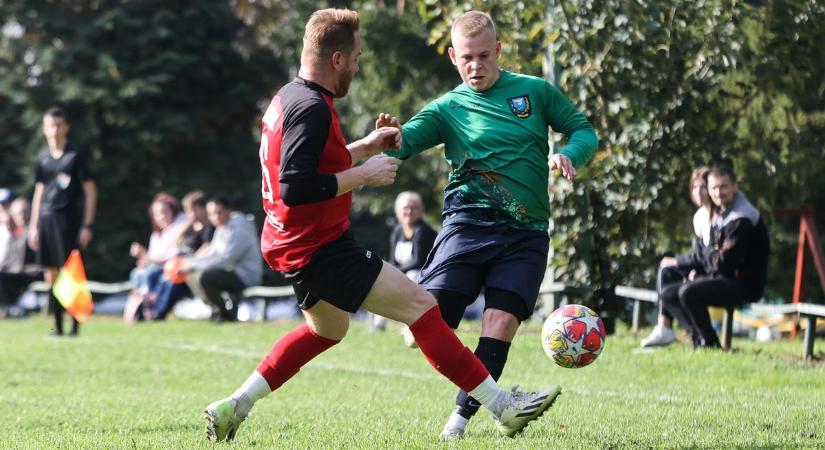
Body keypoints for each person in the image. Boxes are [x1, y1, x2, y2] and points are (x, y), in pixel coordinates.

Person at [203, 8, 559, 443]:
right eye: (355, 56)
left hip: (289, 244)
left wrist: (363, 148)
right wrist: (364, 174)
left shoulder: (288, 98)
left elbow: (310, 163)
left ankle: (235, 404)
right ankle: (503, 406)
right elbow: (296, 187)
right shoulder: (313, 108)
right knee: (423, 310)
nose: (357, 64)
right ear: (336, 59)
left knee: (328, 330)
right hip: (320, 246)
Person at [377, 11, 598, 439]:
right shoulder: (449, 106)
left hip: (526, 234)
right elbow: (410, 139)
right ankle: (420, 319)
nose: (475, 66)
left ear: (498, 50)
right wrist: (394, 135)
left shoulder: (534, 93)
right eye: (466, 58)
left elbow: (583, 130)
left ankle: (456, 425)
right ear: (452, 57)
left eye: (483, 56)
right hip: (468, 225)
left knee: (499, 326)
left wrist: (571, 152)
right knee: (435, 321)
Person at [661, 165, 770, 348]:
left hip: (743, 284)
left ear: (735, 186)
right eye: (714, 188)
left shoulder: (741, 217)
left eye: (724, 187)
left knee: (688, 292)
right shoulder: (721, 212)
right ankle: (699, 339)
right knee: (668, 294)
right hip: (722, 277)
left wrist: (704, 257)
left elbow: (723, 263)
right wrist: (703, 263)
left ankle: (709, 343)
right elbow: (712, 256)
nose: (719, 193)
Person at [28, 107, 97, 336]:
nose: (54, 130)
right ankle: (56, 326)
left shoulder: (75, 157)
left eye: (59, 125)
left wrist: (87, 225)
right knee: (51, 275)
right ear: (44, 129)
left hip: (67, 221)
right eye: (50, 125)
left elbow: (90, 190)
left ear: (66, 127)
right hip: (46, 221)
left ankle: (75, 325)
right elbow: (39, 192)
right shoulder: (43, 159)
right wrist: (33, 226)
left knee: (72, 273)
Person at [641, 166, 713, 347]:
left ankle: (699, 335)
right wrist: (692, 268)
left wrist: (684, 263)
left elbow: (712, 255)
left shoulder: (720, 216)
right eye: (694, 187)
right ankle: (664, 327)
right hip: (702, 267)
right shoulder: (699, 217)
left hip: (716, 272)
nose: (698, 192)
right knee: (666, 272)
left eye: (703, 187)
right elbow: (699, 252)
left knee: (676, 286)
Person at [178, 197, 261, 322]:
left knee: (203, 278)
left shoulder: (239, 229)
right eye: (211, 214)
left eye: (219, 212)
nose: (215, 217)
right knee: (191, 276)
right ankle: (218, 311)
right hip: (230, 273)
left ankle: (225, 314)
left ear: (229, 211)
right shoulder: (223, 226)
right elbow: (212, 253)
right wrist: (189, 263)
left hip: (245, 277)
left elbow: (226, 260)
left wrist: (194, 266)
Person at [370, 191, 437, 331]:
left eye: (414, 207)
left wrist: (396, 273)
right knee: (380, 279)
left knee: (411, 275)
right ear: (397, 211)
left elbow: (419, 261)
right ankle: (378, 324)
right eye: (405, 208)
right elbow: (393, 260)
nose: (409, 211)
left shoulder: (424, 231)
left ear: (421, 211)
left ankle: (411, 323)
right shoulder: (397, 231)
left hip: (422, 276)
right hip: (402, 273)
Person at [147, 190, 215, 321]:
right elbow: (176, 241)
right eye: (188, 211)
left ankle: (159, 313)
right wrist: (189, 223)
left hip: (192, 267)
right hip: (179, 266)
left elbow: (206, 249)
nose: (190, 214)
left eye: (193, 210)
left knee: (170, 282)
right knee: (158, 276)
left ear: (203, 209)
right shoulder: (192, 227)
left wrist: (190, 262)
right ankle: (151, 309)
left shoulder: (209, 227)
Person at [124, 192, 187, 323]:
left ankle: (149, 308)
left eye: (165, 211)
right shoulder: (157, 235)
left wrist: (146, 257)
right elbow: (152, 259)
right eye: (157, 213)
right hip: (157, 269)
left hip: (173, 270)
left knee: (149, 274)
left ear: (173, 211)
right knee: (137, 273)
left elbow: (172, 257)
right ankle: (141, 306)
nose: (161, 216)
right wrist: (143, 257)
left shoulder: (180, 226)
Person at [0, 198, 43, 314]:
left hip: (33, 273)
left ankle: (14, 307)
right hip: (14, 273)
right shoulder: (12, 232)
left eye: (24, 212)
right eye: (18, 213)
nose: (21, 216)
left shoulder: (35, 231)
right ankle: (12, 308)